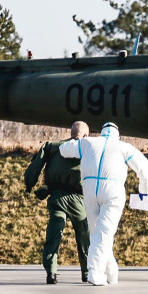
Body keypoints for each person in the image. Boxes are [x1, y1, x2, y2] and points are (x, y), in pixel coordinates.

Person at [59, 122, 148, 286]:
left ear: (102, 133)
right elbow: (145, 170)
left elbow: (64, 149)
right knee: (104, 233)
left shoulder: (88, 143)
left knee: (97, 232)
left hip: (89, 190)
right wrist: (143, 193)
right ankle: (95, 272)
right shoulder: (124, 147)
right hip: (113, 191)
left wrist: (80, 139)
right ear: (118, 135)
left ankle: (111, 272)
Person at [24, 121, 91, 284]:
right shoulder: (88, 149)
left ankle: (51, 272)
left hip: (56, 197)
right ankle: (87, 272)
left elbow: (36, 165)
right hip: (78, 199)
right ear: (86, 136)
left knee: (54, 234)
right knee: (84, 236)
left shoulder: (53, 147)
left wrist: (29, 184)